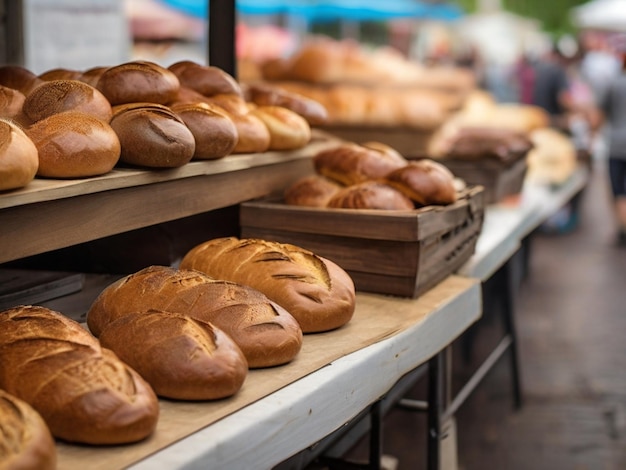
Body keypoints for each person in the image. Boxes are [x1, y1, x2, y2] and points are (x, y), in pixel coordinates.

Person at [601, 51, 626, 245]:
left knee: (618, 191)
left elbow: (602, 111)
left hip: (617, 145)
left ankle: (622, 230)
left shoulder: (616, 83)